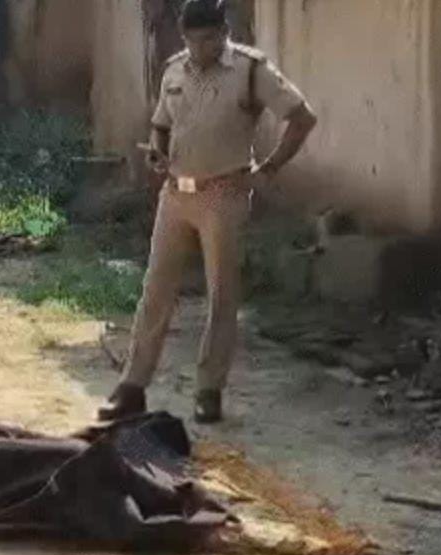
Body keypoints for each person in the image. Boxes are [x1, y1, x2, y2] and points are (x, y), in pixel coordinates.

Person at [99, 0, 316, 424]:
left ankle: (208, 389)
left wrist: (269, 167)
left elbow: (302, 117)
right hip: (176, 194)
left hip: (223, 193)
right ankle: (132, 386)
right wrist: (157, 153)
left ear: (224, 32)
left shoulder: (250, 70)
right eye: (194, 40)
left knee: (221, 294)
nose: (202, 48)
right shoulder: (174, 70)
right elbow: (161, 124)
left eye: (210, 39)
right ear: (184, 37)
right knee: (155, 290)